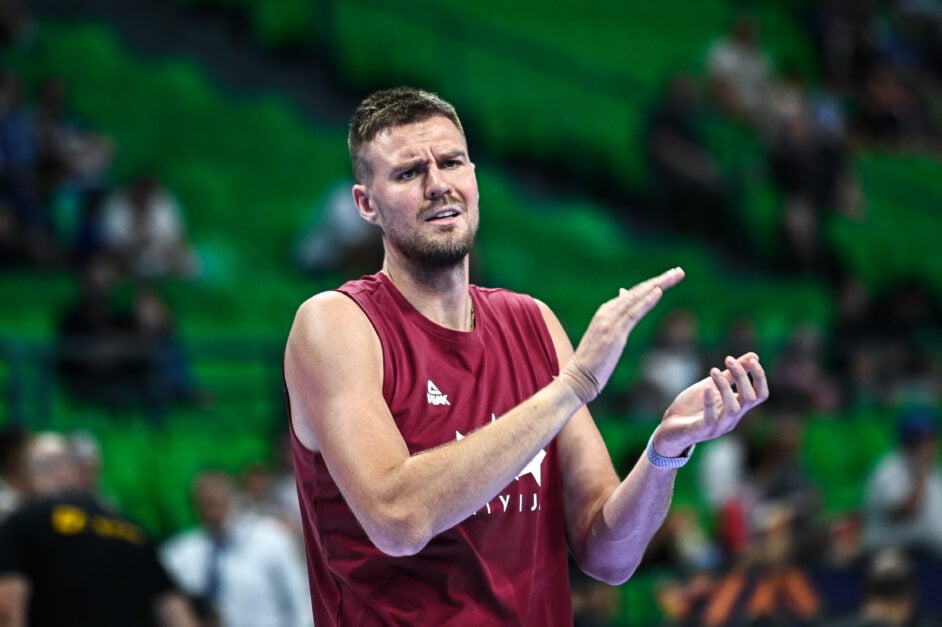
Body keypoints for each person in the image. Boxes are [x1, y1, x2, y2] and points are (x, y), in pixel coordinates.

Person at [283, 87, 770, 626]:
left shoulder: (532, 322)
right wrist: (572, 385)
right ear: (365, 203)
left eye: (451, 162)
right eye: (408, 173)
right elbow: (398, 521)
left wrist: (665, 450)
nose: (438, 185)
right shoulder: (337, 324)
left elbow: (608, 556)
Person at [0, 432, 198, 627]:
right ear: (75, 472)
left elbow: (7, 611)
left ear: (25, 479)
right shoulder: (133, 528)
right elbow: (175, 610)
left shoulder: (20, 524)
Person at [160, 470, 313, 627]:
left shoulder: (270, 540)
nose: (210, 508)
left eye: (215, 501)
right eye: (204, 502)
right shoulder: (181, 553)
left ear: (233, 497)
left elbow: (298, 599)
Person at [863, 407, 942, 559]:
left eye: (928, 438)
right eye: (917, 439)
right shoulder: (889, 470)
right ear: (905, 441)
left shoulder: (931, 471)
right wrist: (920, 479)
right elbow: (901, 513)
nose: (925, 445)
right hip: (893, 554)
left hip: (929, 556)